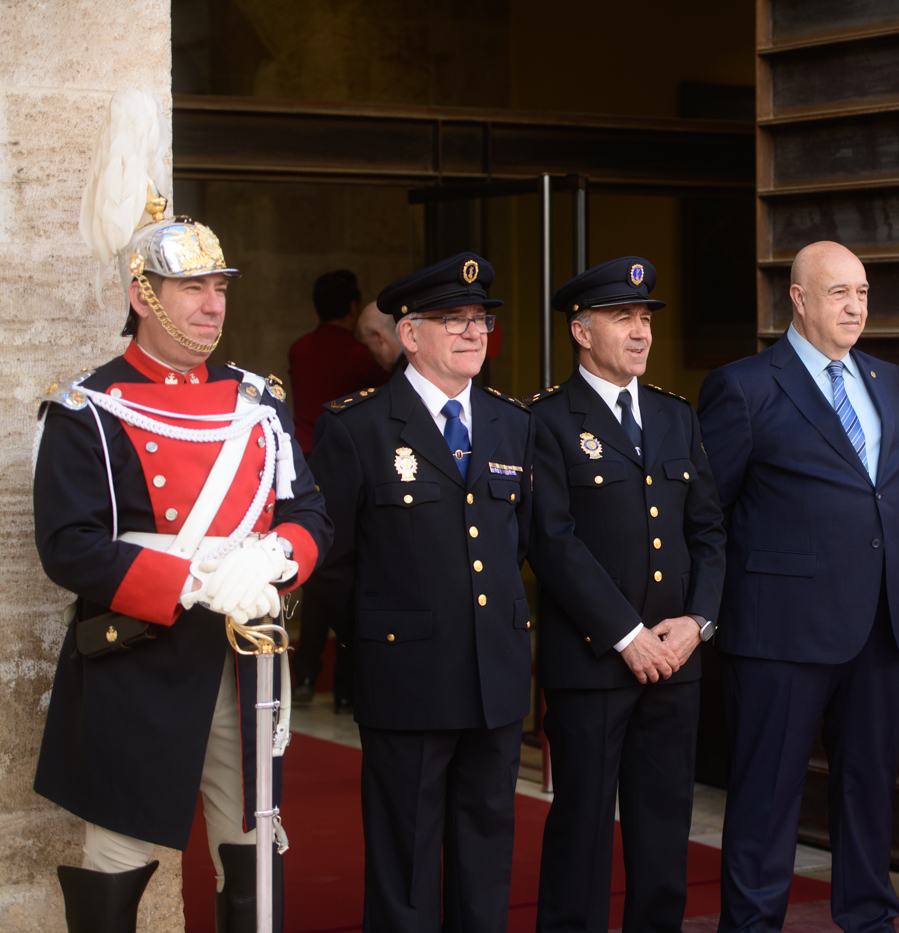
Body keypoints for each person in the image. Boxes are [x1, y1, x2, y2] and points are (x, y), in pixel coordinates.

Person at [33, 137, 330, 931]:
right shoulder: (87, 409)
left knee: (251, 855)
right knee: (117, 866)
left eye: (218, 287)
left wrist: (277, 558)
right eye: (191, 287)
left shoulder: (256, 401)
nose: (211, 304)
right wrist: (192, 579)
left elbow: (310, 513)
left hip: (245, 661)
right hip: (139, 659)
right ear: (143, 293)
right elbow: (70, 544)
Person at [697, 240, 899, 933]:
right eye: (837, 293)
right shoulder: (744, 385)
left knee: (868, 789)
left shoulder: (885, 378)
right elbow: (708, 510)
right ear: (796, 299)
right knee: (768, 797)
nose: (854, 306)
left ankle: (867, 917)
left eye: (861, 292)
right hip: (780, 629)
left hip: (879, 620)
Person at [309, 252, 535, 932]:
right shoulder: (357, 426)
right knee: (406, 862)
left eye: (482, 319)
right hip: (406, 677)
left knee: (487, 849)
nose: (474, 333)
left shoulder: (510, 423)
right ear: (409, 335)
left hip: (492, 674)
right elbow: (333, 560)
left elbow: (515, 541)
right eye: (453, 320)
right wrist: (381, 641)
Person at [528, 256, 726, 933]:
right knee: (583, 827)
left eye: (644, 318)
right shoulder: (548, 421)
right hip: (594, 661)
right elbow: (553, 542)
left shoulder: (676, 416)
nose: (641, 331)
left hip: (677, 661)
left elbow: (709, 530)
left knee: (664, 826)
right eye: (623, 318)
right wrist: (626, 633)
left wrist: (697, 622)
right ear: (581, 331)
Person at [287, 270, 388, 710]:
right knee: (352, 566)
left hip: (306, 465)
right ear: (352, 307)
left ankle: (306, 671)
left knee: (318, 575)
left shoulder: (299, 349)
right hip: (351, 466)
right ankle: (346, 684)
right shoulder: (357, 354)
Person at [287, 269, 387, 453]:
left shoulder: (298, 349)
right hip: (346, 451)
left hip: (304, 453)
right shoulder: (361, 354)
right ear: (353, 307)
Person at [356, 299, 407, 374]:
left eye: (367, 346)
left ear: (378, 337)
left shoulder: (403, 375)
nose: (371, 357)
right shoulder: (418, 363)